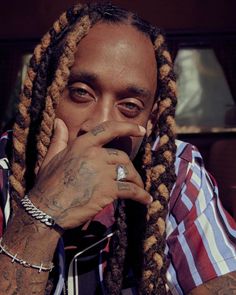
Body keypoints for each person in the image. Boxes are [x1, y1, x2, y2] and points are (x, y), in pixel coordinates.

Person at [0, 2, 235, 294]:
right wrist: (43, 211)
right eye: (80, 93)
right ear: (47, 95)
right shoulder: (3, 171)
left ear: (149, 123)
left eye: (130, 106)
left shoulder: (176, 170)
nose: (100, 124)